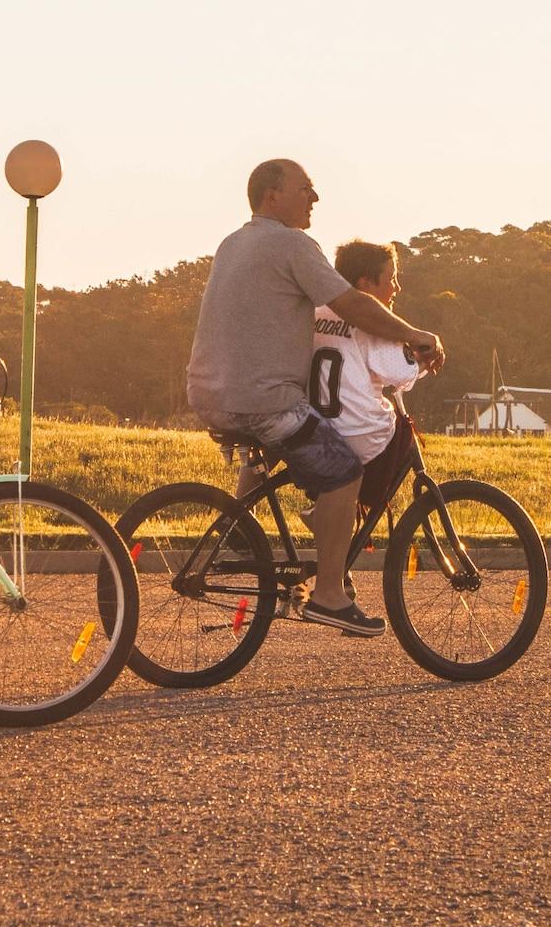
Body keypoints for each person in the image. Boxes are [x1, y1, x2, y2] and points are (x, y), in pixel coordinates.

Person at [186, 159, 445, 636]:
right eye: (305, 188)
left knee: (282, 440)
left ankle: (236, 528)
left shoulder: (233, 243)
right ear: (272, 196)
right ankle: (329, 594)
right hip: (263, 401)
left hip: (210, 392)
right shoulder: (293, 244)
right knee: (343, 470)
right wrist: (415, 334)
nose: (315, 197)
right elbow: (352, 305)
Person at [311, 240, 426, 520]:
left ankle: (329, 511)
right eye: (391, 279)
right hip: (360, 435)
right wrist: (423, 362)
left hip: (319, 431)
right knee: (402, 431)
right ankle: (359, 506)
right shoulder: (375, 323)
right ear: (365, 284)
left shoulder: (316, 313)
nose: (397, 288)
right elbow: (401, 375)